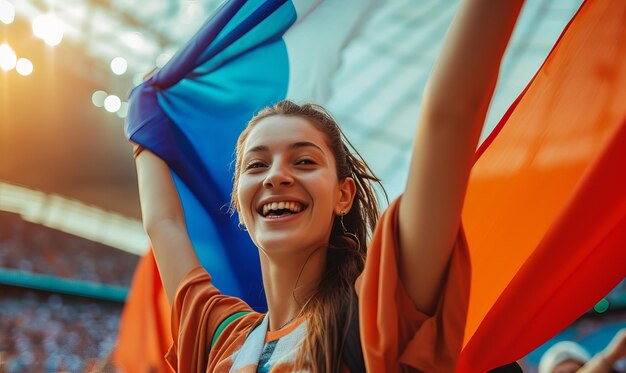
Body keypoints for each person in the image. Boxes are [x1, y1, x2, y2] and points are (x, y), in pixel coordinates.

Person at [132, 1, 524, 371]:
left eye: (304, 161)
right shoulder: (220, 336)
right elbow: (163, 224)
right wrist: (142, 118)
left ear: (343, 195)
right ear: (238, 200)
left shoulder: (380, 306)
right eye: (257, 164)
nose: (276, 176)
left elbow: (452, 113)